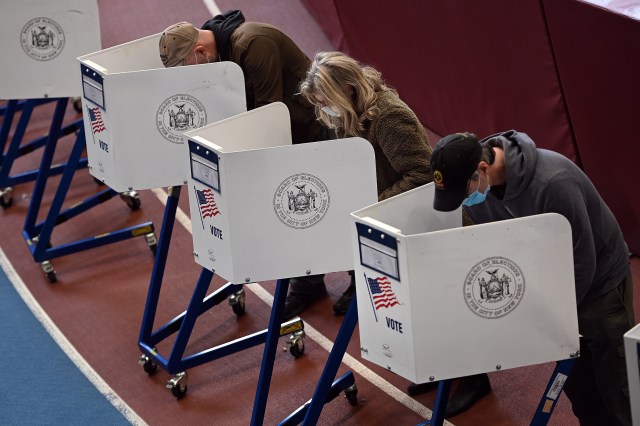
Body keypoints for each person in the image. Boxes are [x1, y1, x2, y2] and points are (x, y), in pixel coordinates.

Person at [428, 131, 635, 424]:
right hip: (550, 286)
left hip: (600, 287)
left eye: (463, 194)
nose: (466, 202)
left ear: (482, 169)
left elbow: (583, 260)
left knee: (619, 389)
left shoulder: (553, 182)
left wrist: (554, 314)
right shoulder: (478, 194)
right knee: (581, 390)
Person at [283, 51, 434, 319]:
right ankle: (322, 284)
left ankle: (360, 286)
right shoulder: (351, 110)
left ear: (348, 90)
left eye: (326, 101)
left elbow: (422, 175)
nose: (325, 109)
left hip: (406, 219)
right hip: (375, 207)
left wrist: (371, 207)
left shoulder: (390, 118)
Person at [158, 10, 324, 145]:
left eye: (189, 68)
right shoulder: (219, 55)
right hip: (290, 130)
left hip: (316, 126)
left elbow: (268, 111)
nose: (192, 75)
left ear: (201, 51)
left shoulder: (253, 45)